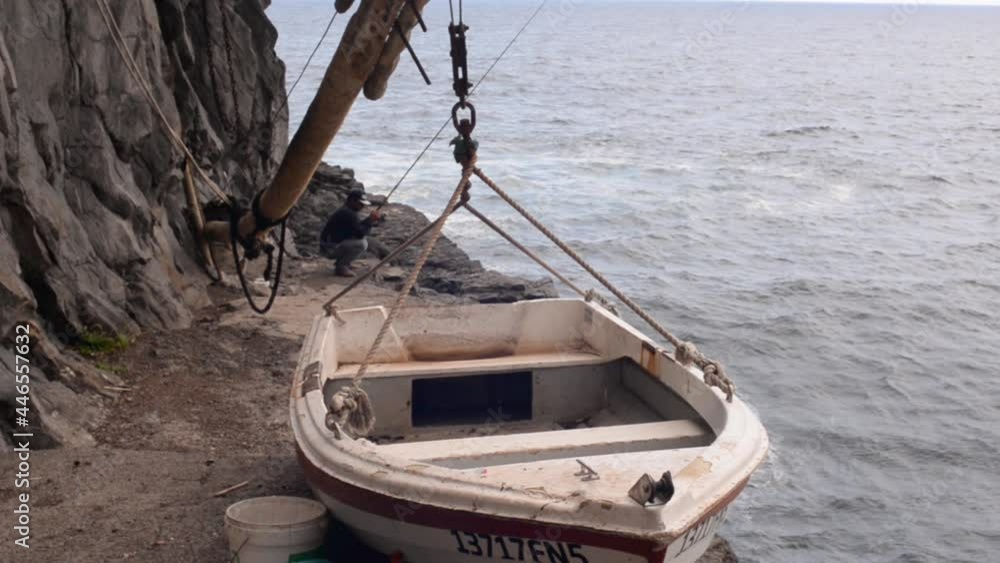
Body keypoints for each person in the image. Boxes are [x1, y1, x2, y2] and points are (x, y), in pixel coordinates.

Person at [319, 188, 382, 277]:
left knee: (364, 241)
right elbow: (360, 233)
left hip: (331, 244)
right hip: (329, 249)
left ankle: (345, 263)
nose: (362, 206)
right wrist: (371, 220)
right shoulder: (348, 213)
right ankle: (341, 267)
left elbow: (357, 227)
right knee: (362, 244)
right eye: (360, 204)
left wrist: (369, 219)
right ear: (352, 201)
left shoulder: (347, 210)